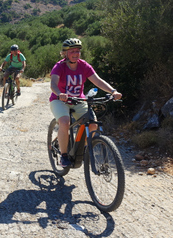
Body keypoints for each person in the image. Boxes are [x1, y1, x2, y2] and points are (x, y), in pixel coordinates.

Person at [49, 38, 122, 167]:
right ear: (65, 53)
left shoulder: (84, 65)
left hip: (79, 100)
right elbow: (53, 83)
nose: (76, 53)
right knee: (65, 122)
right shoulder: (59, 66)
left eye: (78, 51)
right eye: (72, 51)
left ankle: (82, 150)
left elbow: (98, 81)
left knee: (93, 124)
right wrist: (59, 94)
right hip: (59, 100)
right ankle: (64, 155)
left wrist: (113, 91)